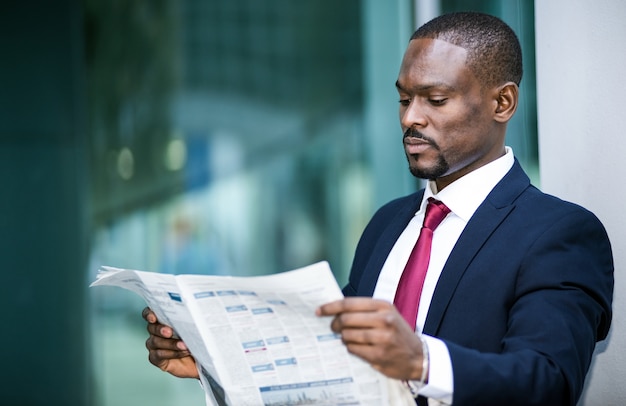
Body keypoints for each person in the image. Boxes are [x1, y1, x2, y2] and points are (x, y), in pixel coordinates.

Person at [143, 12, 613, 405]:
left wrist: (420, 360)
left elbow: (549, 382)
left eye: (436, 99)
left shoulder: (560, 233)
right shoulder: (388, 224)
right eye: (404, 98)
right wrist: (213, 364)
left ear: (503, 102)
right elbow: (328, 369)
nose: (410, 117)